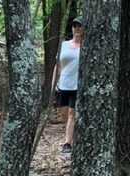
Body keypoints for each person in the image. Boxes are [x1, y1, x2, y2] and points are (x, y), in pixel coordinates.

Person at [52, 16, 83, 153]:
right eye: (74, 26)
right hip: (62, 86)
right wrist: (54, 84)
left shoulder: (87, 48)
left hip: (77, 87)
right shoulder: (64, 45)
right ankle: (74, 134)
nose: (77, 28)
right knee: (64, 114)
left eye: (79, 26)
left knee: (72, 114)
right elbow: (57, 66)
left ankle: (67, 143)